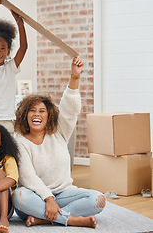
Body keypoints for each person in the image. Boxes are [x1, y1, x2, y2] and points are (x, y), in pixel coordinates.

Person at [12, 57, 106, 228]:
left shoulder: (59, 132)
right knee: (18, 196)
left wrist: (74, 76)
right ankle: (70, 220)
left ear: (49, 116)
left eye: (42, 111)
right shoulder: (20, 142)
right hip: (36, 198)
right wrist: (48, 198)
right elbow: (27, 176)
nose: (37, 115)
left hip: (64, 194)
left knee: (98, 199)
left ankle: (45, 219)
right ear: (25, 116)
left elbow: (70, 108)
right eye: (32, 111)